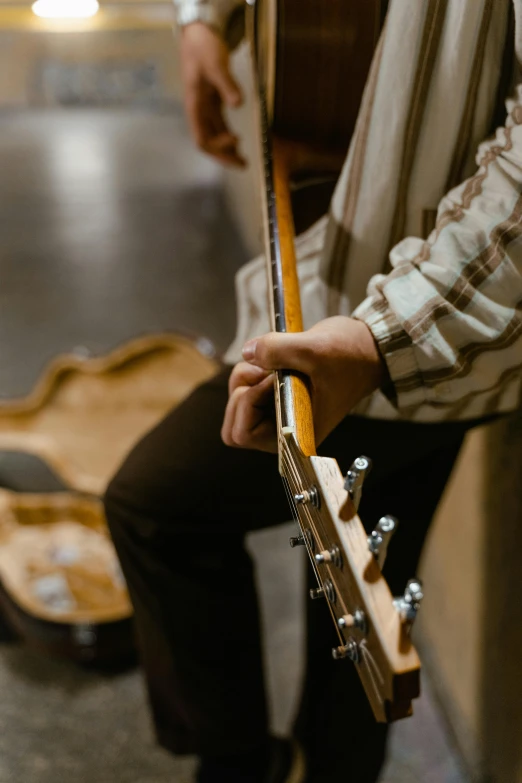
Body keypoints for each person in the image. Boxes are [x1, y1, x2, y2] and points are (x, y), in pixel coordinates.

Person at [104, 2, 522, 782]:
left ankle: (238, 765)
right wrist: (204, 19)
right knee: (366, 593)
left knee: (155, 506)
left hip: (438, 321)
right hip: (374, 289)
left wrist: (382, 337)